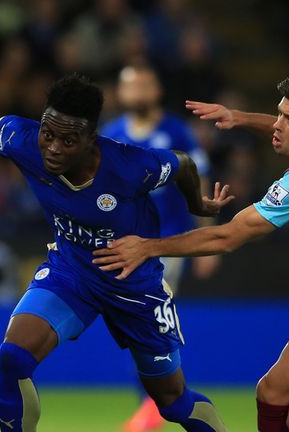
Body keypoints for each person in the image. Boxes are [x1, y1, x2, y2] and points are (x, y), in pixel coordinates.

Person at [0, 74, 232, 432]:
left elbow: (184, 164)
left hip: (134, 285)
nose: (53, 148)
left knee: (173, 401)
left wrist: (198, 205)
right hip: (72, 272)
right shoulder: (23, 139)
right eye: (48, 134)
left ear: (91, 139)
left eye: (68, 140)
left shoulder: (130, 166)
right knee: (13, 356)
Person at [93, 73, 289, 432]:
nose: (277, 125)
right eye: (279, 114)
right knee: (271, 393)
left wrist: (147, 247)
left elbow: (226, 238)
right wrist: (239, 117)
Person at [102, 64, 221, 432]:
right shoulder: (110, 134)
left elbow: (198, 182)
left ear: (157, 90)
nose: (138, 91)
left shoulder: (176, 131)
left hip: (167, 243)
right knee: (138, 324)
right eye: (131, 85)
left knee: (146, 321)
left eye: (144, 84)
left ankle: (156, 404)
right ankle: (157, 401)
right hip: (123, 245)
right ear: (121, 93)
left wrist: (207, 239)